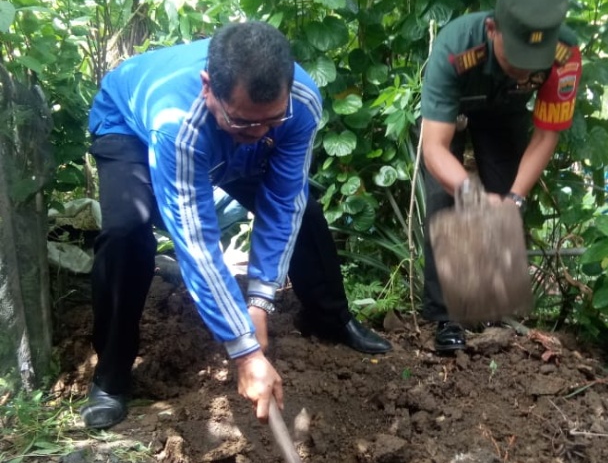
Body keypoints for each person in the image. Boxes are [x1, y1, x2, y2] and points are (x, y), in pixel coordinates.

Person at [80, 21, 391, 430]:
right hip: (130, 123)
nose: (261, 133)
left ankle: (328, 318)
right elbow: (196, 241)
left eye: (272, 121)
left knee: (305, 212)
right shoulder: (178, 123)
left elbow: (283, 200)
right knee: (127, 230)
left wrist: (259, 302)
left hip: (224, 127)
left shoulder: (297, 104)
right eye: (249, 122)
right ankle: (111, 375)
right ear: (208, 86)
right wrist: (245, 352)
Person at [420, 0, 583, 352]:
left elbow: (547, 133)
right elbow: (434, 149)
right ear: (492, 29)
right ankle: (446, 317)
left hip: (505, 111)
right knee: (447, 202)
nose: (526, 70)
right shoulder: (455, 48)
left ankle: (488, 307)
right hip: (455, 110)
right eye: (517, 58)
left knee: (506, 193)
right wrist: (469, 194)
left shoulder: (566, 54)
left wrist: (513, 200)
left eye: (533, 62)